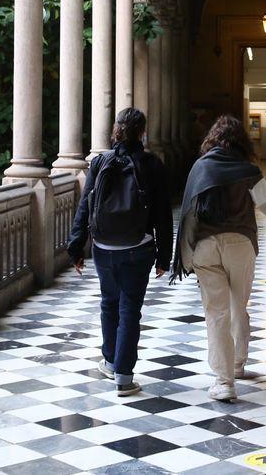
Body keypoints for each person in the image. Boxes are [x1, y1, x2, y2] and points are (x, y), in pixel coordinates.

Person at [173, 114, 266, 402]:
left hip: (205, 247)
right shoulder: (248, 171)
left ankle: (224, 380)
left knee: (216, 314)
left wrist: (185, 258)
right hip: (240, 245)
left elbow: (188, 216)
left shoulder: (200, 168)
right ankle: (238, 363)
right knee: (237, 306)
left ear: (212, 139)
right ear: (241, 141)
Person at [67, 108, 172, 397]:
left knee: (108, 303)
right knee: (129, 310)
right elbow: (163, 214)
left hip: (103, 248)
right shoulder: (152, 164)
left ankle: (111, 361)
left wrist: (76, 247)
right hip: (138, 249)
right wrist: (165, 256)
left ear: (116, 130)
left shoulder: (100, 162)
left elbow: (85, 207)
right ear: (142, 132)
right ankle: (124, 377)